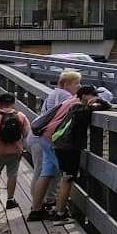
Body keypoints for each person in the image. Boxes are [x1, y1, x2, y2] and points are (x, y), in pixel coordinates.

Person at [48, 85, 108, 222]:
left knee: (65, 178)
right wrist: (100, 101)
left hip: (60, 144)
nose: (96, 97)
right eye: (93, 94)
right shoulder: (83, 109)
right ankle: (60, 214)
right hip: (69, 147)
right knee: (67, 179)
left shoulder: (75, 107)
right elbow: (107, 107)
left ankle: (59, 210)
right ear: (85, 96)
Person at [28, 68, 81, 218]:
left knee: (45, 173)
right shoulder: (65, 95)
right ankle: (60, 210)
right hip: (50, 137)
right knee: (65, 174)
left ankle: (36, 209)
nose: (78, 86)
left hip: (41, 135)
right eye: (76, 83)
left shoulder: (54, 93)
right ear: (65, 84)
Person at [0, 93, 29, 211]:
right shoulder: (21, 116)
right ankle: (10, 199)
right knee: (12, 174)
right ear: (14, 103)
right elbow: (26, 134)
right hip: (15, 150)